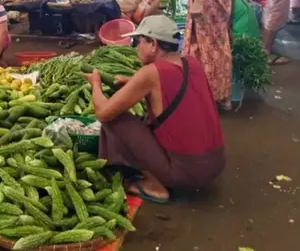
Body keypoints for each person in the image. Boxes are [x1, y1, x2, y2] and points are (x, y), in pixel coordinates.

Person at [84, 15, 225, 203]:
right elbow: (173, 89)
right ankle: (160, 173)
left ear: (153, 44)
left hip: (186, 174)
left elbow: (103, 112)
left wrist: (95, 84)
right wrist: (130, 82)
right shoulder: (192, 63)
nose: (135, 48)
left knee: (115, 119)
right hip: (215, 163)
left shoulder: (151, 73)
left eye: (138, 41)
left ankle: (156, 186)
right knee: (146, 120)